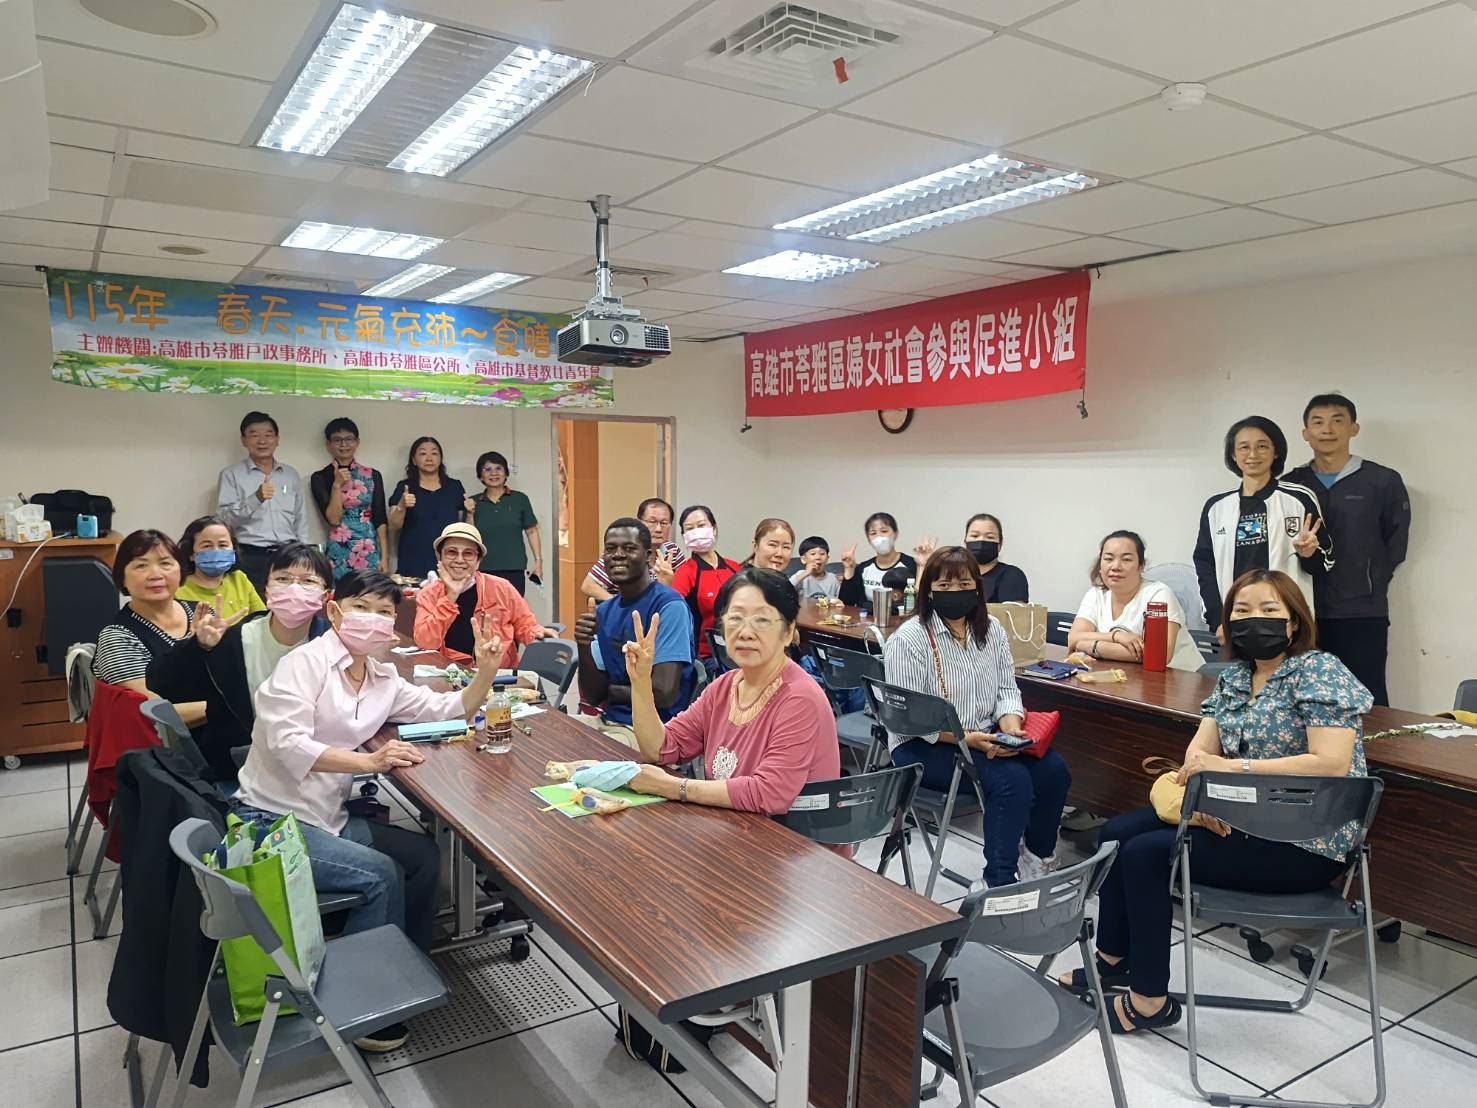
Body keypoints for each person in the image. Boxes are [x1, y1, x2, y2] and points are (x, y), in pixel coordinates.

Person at [1065, 569, 1372, 1034]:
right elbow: (1198, 753)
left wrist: (1232, 769)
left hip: (1303, 841)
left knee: (1146, 855)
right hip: (1240, 820)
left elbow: (1329, 762)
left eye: (1269, 609)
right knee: (1116, 832)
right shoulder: (1235, 678)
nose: (1254, 619)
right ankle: (1112, 960)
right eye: (1242, 611)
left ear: (1293, 621)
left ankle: (1149, 1001)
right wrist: (1204, 793)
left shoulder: (1319, 671)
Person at [233, 569, 509, 1050]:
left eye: (384, 611)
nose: (372, 619)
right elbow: (285, 743)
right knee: (380, 874)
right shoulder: (305, 664)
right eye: (361, 607)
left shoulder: (381, 676)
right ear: (334, 610)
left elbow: (444, 709)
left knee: (422, 857)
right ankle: (367, 1007)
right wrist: (369, 761)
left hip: (327, 817)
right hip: (273, 822)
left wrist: (485, 672)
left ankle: (406, 964)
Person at [884, 547, 1070, 887]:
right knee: (1012, 780)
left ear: (977, 588)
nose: (955, 593)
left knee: (1055, 771)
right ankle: (998, 881)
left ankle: (1037, 857)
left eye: (964, 585)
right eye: (945, 586)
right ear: (929, 591)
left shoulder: (992, 629)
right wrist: (967, 739)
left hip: (986, 734)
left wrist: (1011, 729)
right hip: (924, 744)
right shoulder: (909, 639)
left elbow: (1007, 689)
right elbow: (908, 718)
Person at [622, 567, 841, 818]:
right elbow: (659, 749)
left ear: (788, 632)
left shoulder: (799, 698)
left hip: (793, 837)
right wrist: (641, 681)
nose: (745, 632)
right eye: (735, 618)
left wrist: (674, 787)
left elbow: (769, 794)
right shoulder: (725, 686)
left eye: (762, 620)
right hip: (732, 824)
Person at [149, 544, 332, 783]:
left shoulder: (334, 645)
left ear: (325, 595)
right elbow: (163, 686)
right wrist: (198, 646)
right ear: (266, 589)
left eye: (308, 581)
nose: (294, 588)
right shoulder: (235, 639)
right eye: (283, 579)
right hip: (236, 771)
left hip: (314, 770)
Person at [1285, 394, 1410, 706]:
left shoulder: (1382, 481)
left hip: (1361, 612)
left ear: (1354, 428)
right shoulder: (1291, 485)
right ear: (1305, 433)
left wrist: (1369, 580)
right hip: (1304, 612)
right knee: (1305, 697)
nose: (1327, 429)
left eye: (1337, 420)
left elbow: (1395, 544)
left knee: (1368, 698)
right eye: (1318, 422)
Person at [1194, 415, 1331, 631]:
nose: (1252, 455)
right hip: (1234, 621)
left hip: (1287, 624)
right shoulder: (1217, 508)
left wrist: (1309, 554)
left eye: (1262, 446)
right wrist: (1218, 621)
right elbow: (1205, 567)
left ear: (1276, 452)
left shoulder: (1299, 499)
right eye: (1244, 447)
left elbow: (1325, 563)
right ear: (1233, 454)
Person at [574, 518, 695, 749]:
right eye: (611, 549)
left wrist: (612, 691)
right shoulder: (604, 611)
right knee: (545, 734)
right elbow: (594, 695)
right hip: (610, 722)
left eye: (629, 548)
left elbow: (663, 694)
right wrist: (583, 645)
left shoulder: (669, 606)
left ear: (648, 556)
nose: (618, 555)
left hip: (654, 730)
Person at [94, 529, 204, 724]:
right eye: (141, 566)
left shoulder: (203, 615)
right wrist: (233, 705)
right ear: (122, 577)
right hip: (169, 739)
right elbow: (157, 713)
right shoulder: (117, 638)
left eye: (165, 564)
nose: (155, 574)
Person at [413, 523, 554, 669]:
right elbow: (425, 643)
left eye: (468, 553)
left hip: (498, 675)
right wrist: (451, 596)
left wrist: (536, 633)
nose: (459, 560)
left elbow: (526, 625)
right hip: (447, 674)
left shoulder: (501, 588)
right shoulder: (428, 594)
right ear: (439, 556)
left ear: (478, 560)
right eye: (451, 552)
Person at [1069, 531, 1204, 671]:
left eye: (1126, 560)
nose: (1116, 566)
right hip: (1131, 676)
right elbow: (1073, 639)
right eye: (1108, 559)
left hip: (1183, 677)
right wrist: (1117, 637)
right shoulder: (1096, 594)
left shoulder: (1159, 595)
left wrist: (1092, 646)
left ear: (1141, 565)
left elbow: (1158, 655)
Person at [216, 411, 307, 592]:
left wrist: (305, 554)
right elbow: (224, 520)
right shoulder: (231, 475)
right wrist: (255, 499)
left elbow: (301, 518)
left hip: (287, 554)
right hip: (250, 555)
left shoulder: (290, 474)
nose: (262, 441)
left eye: (268, 435)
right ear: (244, 440)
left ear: (277, 439)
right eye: (254, 435)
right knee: (251, 605)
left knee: (288, 605)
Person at [669, 505, 743, 678]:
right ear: (684, 536)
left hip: (742, 646)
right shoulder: (685, 572)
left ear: (714, 528)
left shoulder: (734, 567)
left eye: (701, 525)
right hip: (708, 656)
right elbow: (673, 610)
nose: (696, 532)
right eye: (689, 528)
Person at [309, 417, 389, 577]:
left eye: (349, 439)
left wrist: (385, 557)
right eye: (337, 440)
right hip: (339, 548)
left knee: (370, 590)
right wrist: (337, 485)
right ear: (328, 444)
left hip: (368, 547)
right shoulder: (320, 477)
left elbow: (380, 518)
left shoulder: (372, 475)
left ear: (357, 442)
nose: (343, 444)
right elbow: (333, 519)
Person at [464, 450, 541, 596]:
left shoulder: (520, 499)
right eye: (487, 469)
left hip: (514, 569)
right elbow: (469, 538)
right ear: (480, 476)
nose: (494, 473)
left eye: (498, 468)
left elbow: (532, 531)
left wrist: (538, 562)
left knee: (513, 608)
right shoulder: (473, 502)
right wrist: (469, 513)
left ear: (506, 473)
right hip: (482, 569)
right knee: (484, 608)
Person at [388, 436, 466, 579]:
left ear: (440, 459)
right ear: (414, 460)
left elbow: (463, 526)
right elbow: (393, 525)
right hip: (413, 558)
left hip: (448, 559)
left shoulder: (454, 487)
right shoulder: (405, 487)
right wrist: (402, 505)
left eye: (434, 453)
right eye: (423, 453)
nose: (429, 458)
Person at [581, 497, 687, 601]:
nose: (658, 529)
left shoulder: (673, 551)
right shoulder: (625, 551)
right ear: (640, 523)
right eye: (652, 522)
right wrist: (616, 605)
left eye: (664, 523)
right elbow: (588, 585)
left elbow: (684, 586)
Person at [916, 514, 1029, 603]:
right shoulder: (951, 573)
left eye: (990, 537)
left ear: (1000, 544)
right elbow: (921, 603)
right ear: (965, 541)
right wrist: (924, 566)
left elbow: (1015, 617)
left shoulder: (1012, 575)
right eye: (975, 536)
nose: (981, 540)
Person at [174, 515, 264, 617]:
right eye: (207, 546)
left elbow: (262, 618)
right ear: (191, 554)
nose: (216, 551)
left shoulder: (239, 579)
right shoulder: (177, 588)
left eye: (223, 545)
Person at [838, 512, 918, 608]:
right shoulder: (864, 568)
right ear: (868, 539)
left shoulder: (911, 564)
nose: (879, 537)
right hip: (869, 617)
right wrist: (849, 569)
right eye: (873, 533)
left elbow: (921, 602)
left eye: (884, 531)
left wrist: (923, 565)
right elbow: (847, 604)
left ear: (895, 534)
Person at [790, 536, 840, 601]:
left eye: (822, 554)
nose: (818, 557)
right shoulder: (801, 575)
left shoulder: (833, 578)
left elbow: (841, 599)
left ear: (827, 559)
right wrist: (806, 573)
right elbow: (785, 588)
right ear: (803, 559)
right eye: (813, 554)